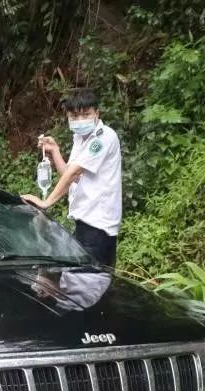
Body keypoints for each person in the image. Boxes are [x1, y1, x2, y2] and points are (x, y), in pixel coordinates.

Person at [21, 88, 122, 267]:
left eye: (86, 114)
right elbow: (72, 176)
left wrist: (46, 202)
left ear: (97, 113)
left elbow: (74, 172)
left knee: (93, 284)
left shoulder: (103, 138)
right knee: (82, 282)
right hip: (84, 223)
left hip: (98, 227)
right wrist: (55, 151)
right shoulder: (80, 138)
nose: (80, 120)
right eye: (74, 116)